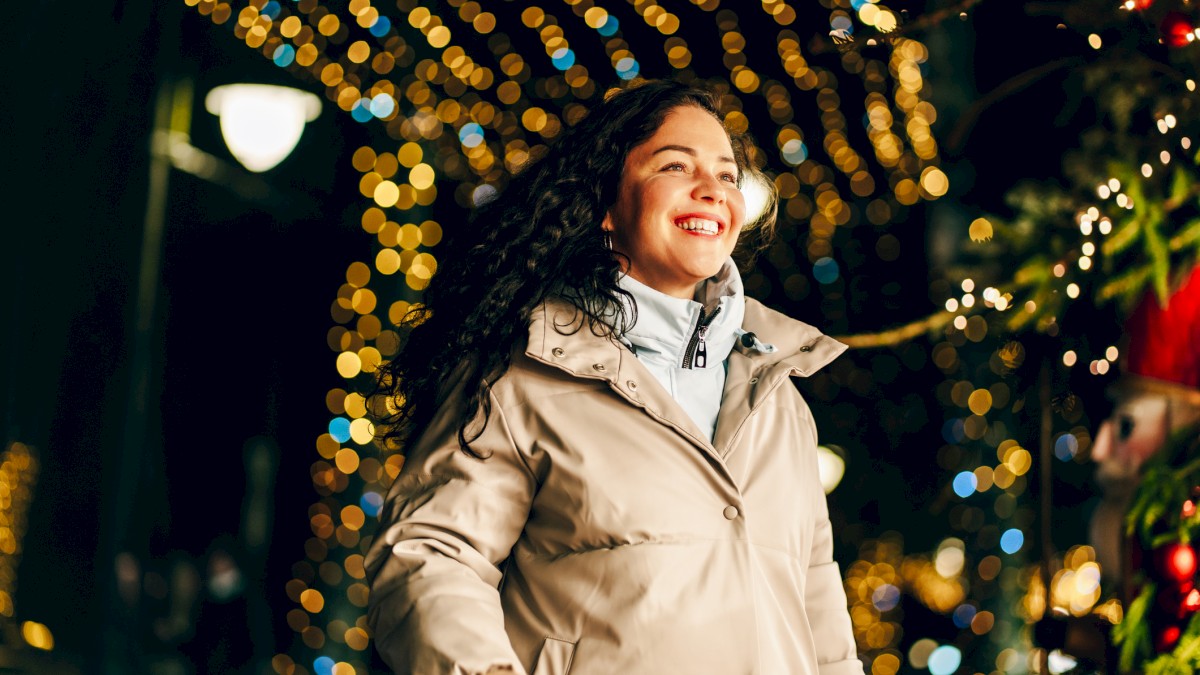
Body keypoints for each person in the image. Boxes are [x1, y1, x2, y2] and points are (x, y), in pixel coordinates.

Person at [364, 79, 863, 675]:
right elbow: (432, 555)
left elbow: (817, 607)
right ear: (607, 204)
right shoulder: (523, 372)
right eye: (676, 166)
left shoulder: (779, 395)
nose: (712, 190)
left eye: (728, 176)